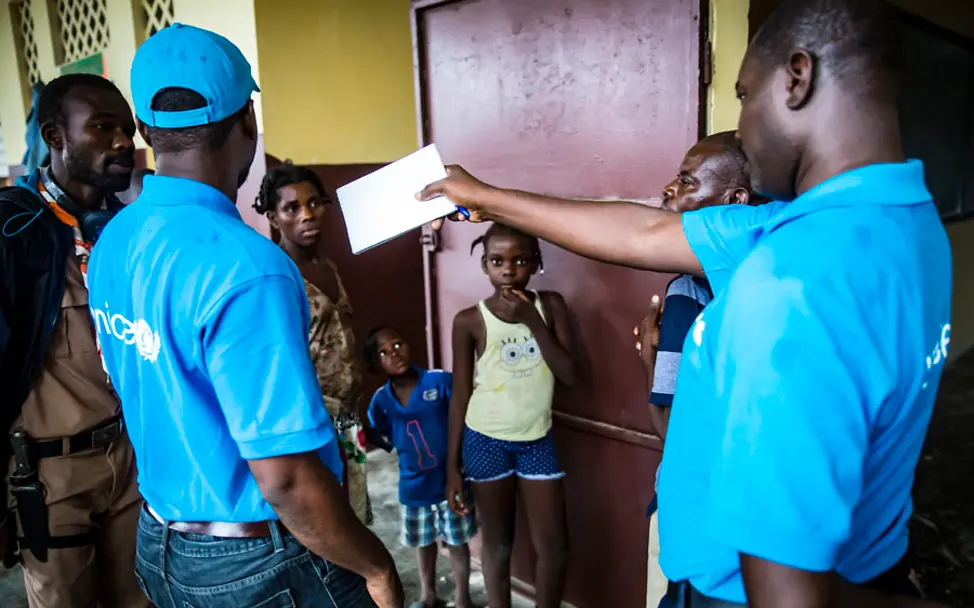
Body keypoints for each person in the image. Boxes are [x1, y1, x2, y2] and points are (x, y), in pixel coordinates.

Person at [418, 0, 950, 605]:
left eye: (746, 96)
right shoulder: (902, 219)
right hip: (869, 556)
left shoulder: (790, 282)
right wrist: (484, 197)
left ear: (796, 79)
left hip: (727, 592)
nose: (744, 128)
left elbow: (790, 594)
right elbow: (642, 233)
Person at [86, 24, 402, 608]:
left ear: (147, 130)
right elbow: (284, 479)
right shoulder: (249, 268)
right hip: (256, 563)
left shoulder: (114, 242)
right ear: (248, 121)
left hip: (160, 540)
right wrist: (376, 567)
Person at [0, 74, 146, 608]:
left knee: (141, 596)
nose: (122, 143)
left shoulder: (125, 232)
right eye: (103, 128)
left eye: (127, 130)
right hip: (51, 475)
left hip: (130, 460)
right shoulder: (14, 233)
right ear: (55, 136)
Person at [632, 131, 764, 608]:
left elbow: (666, 424)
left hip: (700, 539)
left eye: (687, 182)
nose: (669, 189)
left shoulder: (687, 295)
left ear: (734, 201)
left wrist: (650, 360)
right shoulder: (772, 276)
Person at [449, 223, 576, 608]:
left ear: (536, 263)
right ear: (485, 266)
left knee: (554, 546)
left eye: (521, 261)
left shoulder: (550, 306)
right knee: (498, 543)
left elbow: (570, 375)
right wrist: (450, 467)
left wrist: (532, 320)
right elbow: (460, 393)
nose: (509, 270)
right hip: (484, 439)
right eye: (497, 261)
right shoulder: (469, 320)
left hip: (537, 439)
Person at [254, 162, 373, 524]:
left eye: (314, 203)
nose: (308, 215)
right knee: (322, 525)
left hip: (348, 419)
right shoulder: (275, 276)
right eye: (292, 208)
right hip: (310, 422)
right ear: (274, 218)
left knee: (351, 519)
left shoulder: (328, 267)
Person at [365, 327, 477, 608]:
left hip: (450, 481)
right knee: (422, 542)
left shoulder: (439, 381)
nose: (394, 354)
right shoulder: (381, 400)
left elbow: (465, 415)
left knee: (456, 542)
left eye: (398, 344)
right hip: (413, 487)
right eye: (383, 352)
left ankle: (463, 598)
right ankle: (429, 595)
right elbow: (377, 431)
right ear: (375, 364)